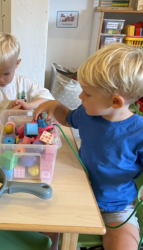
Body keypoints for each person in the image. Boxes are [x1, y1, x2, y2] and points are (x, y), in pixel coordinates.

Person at [34, 43, 143, 250]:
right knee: (43, 235)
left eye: (87, 94)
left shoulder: (139, 131)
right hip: (78, 193)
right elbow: (67, 118)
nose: (80, 97)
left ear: (116, 102)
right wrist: (55, 105)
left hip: (117, 206)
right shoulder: (88, 114)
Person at [0, 32, 54, 125]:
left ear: (17, 64)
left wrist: (28, 106)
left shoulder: (24, 83)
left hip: (23, 131)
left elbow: (48, 99)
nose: (0, 80)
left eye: (6, 73)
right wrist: (8, 115)